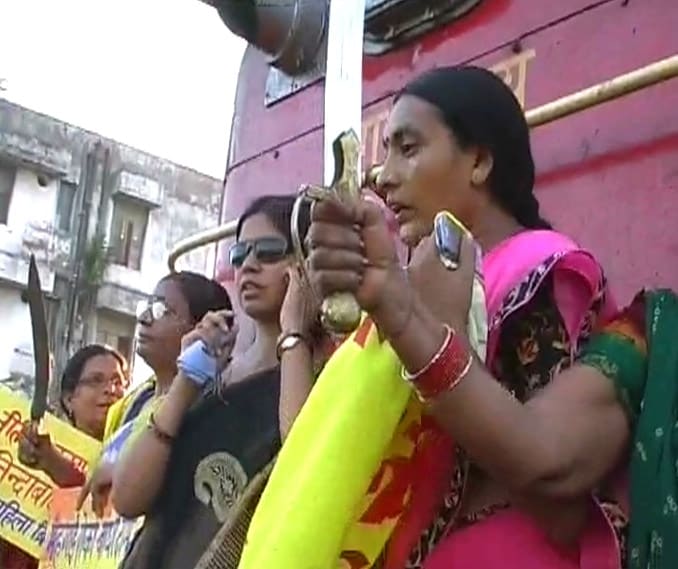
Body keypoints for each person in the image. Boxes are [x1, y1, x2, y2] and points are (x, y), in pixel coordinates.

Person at [302, 66, 626, 568]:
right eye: (384, 153)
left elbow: (559, 501)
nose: (383, 178)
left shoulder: (539, 269)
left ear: (478, 162)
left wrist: (418, 327)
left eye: (408, 149)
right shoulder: (409, 287)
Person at [113, 194, 320, 569]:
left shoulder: (317, 377)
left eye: (270, 252)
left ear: (306, 261)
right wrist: (185, 383)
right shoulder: (212, 375)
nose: (249, 266)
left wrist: (294, 333)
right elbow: (127, 499)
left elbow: (302, 469)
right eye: (239, 256)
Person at [79, 271, 233, 516]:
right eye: (148, 306)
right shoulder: (133, 401)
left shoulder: (202, 408)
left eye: (163, 310)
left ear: (203, 329)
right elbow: (90, 483)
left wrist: (121, 472)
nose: (145, 318)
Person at [8, 344, 127, 569]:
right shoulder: (34, 447)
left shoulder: (133, 460)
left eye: (118, 382)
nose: (110, 389)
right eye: (95, 380)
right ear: (69, 398)